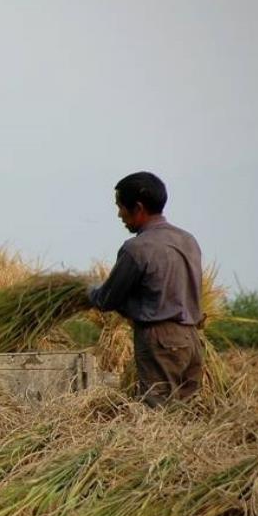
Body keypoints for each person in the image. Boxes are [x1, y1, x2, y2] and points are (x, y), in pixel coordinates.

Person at [88, 171, 204, 407]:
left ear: (138, 208)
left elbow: (106, 299)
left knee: (157, 413)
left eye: (120, 206)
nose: (119, 214)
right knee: (188, 413)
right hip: (192, 338)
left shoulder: (137, 249)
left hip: (161, 340)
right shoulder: (188, 240)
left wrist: (87, 291)